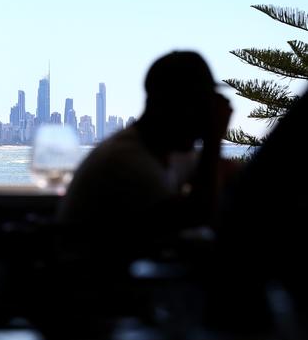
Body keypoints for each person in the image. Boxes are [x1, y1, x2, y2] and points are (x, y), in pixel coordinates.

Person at [59, 51, 233, 249]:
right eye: (198, 106)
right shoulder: (127, 161)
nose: (203, 116)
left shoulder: (161, 151)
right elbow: (196, 215)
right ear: (169, 106)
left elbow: (224, 170)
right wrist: (213, 138)